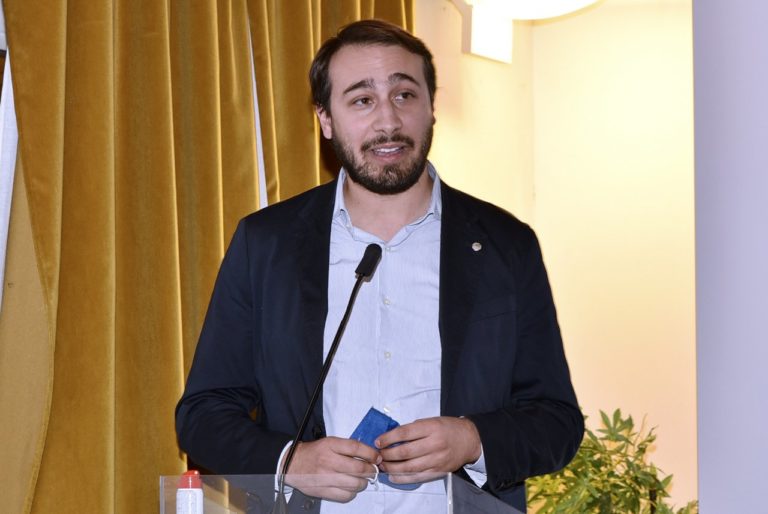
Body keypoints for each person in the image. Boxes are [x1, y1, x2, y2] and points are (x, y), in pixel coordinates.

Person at [175, 19, 583, 513]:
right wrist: (291, 461)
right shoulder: (267, 244)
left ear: (431, 107)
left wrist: (472, 440)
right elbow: (203, 415)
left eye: (405, 95)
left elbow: (557, 423)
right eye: (362, 100)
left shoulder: (506, 245)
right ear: (326, 119)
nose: (388, 121)